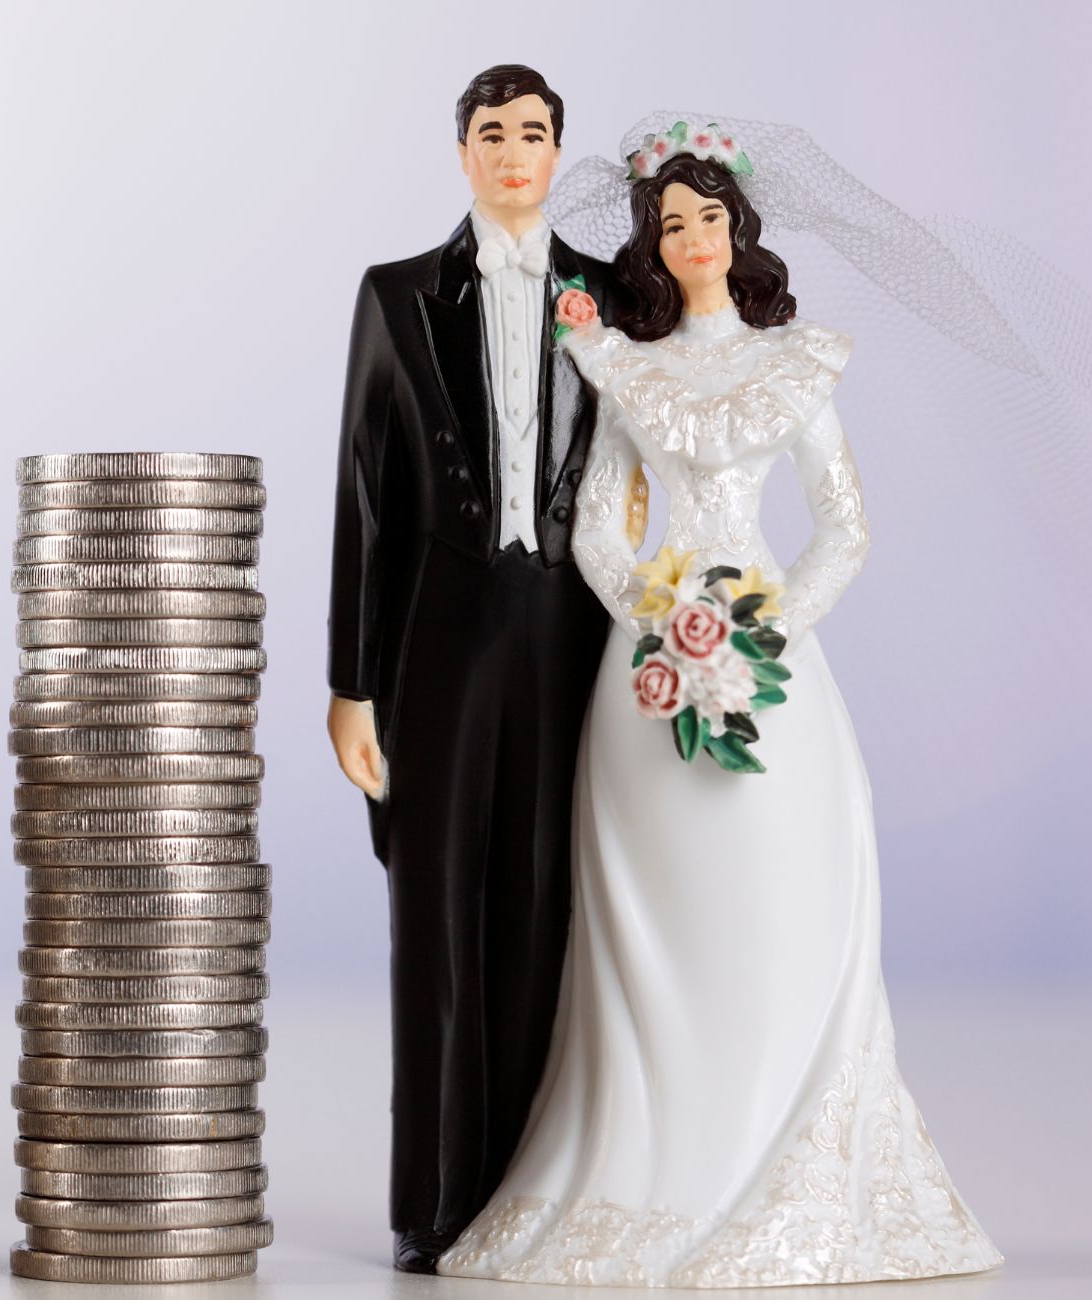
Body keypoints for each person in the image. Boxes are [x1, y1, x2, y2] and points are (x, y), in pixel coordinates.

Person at [435, 126, 1004, 1286]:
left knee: (776, 895)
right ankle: (653, 1164)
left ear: (737, 234)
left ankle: (782, 1154)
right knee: (660, 915)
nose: (690, 239)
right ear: (650, 244)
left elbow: (843, 526)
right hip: (648, 676)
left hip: (766, 670)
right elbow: (600, 522)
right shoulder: (626, 369)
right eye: (669, 224)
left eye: (707, 219)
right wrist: (653, 617)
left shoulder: (797, 365)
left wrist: (763, 626)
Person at [325, 64, 644, 1274]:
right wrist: (351, 679)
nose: (514, 153)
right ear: (459, 151)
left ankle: (525, 1190)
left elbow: (638, 457)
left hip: (571, 626)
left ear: (559, 153)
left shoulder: (614, 295)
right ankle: (430, 1198)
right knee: (432, 904)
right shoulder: (397, 296)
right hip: (440, 628)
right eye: (490, 133)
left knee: (542, 899)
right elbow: (363, 491)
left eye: (534, 133)